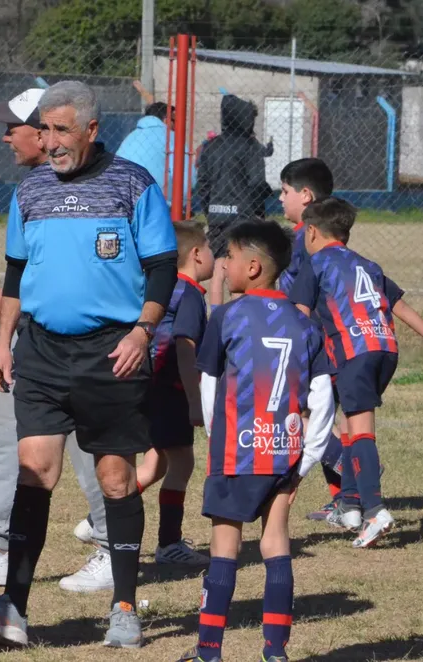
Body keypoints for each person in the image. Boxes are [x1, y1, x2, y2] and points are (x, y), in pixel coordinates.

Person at [0, 80, 177, 649]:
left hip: (112, 352)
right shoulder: (30, 191)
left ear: (91, 130)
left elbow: (162, 268)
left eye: (61, 130)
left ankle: (124, 607)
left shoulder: (133, 184)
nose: (50, 142)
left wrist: (142, 331)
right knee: (34, 470)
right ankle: (12, 609)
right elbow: (14, 273)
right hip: (42, 351)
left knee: (114, 477)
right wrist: (4, 342)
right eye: (44, 131)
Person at [0, 88, 115, 594]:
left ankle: (111, 547)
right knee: (2, 439)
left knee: (90, 450)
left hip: (79, 348)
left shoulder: (94, 186)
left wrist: (23, 302)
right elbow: (31, 266)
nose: (6, 135)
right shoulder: (33, 189)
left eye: (13, 126)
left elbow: (90, 278)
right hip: (31, 345)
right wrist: (13, 311)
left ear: (45, 132)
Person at [176, 220, 334, 662]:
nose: (222, 264)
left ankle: (209, 651)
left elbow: (208, 382)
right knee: (276, 544)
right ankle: (276, 651)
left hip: (236, 452)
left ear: (252, 266)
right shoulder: (307, 325)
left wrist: (215, 432)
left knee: (225, 548)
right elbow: (323, 400)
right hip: (283, 453)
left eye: (227, 256)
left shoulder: (227, 316)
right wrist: (306, 460)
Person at [289, 197, 423, 548]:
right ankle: (350, 504)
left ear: (311, 232)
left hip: (355, 353)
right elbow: (396, 303)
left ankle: (374, 512)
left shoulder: (316, 263)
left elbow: (299, 315)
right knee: (351, 425)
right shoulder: (367, 264)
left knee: (361, 428)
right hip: (385, 349)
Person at [127, 221, 211, 566]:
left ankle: (99, 519)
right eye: (210, 250)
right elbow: (185, 347)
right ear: (195, 254)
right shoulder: (189, 293)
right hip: (171, 389)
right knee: (182, 461)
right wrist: (194, 400)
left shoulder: (163, 287)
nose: (215, 258)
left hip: (149, 384)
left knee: (156, 462)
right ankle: (169, 544)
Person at [276, 158, 347, 521]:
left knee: (307, 414)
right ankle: (345, 496)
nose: (280, 198)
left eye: (285, 191)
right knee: (314, 414)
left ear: (305, 195)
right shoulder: (309, 236)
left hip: (310, 338)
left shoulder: (309, 239)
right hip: (312, 337)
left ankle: (353, 472)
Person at [197, 94, 272, 307]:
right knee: (239, 268)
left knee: (219, 268)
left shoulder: (211, 146)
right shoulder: (251, 147)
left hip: (217, 215)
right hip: (244, 215)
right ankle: (238, 317)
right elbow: (257, 184)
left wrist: (210, 209)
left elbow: (202, 184)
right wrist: (259, 213)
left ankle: (216, 319)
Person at [115, 102, 196, 205]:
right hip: (154, 202)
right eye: (174, 121)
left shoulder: (132, 136)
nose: (176, 126)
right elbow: (187, 177)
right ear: (167, 119)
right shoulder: (171, 137)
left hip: (121, 196)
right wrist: (181, 204)